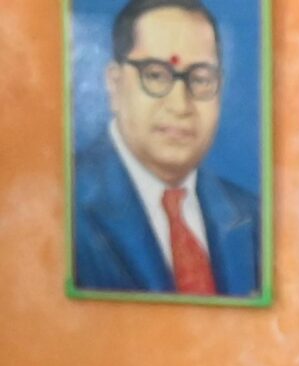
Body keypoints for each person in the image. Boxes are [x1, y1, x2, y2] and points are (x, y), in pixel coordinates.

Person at [73, 0, 261, 298]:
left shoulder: (255, 218)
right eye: (156, 75)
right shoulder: (63, 204)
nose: (180, 105)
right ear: (114, 84)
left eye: (201, 79)